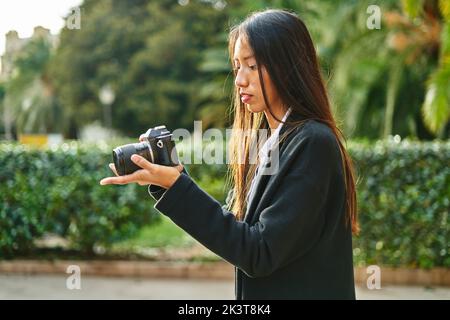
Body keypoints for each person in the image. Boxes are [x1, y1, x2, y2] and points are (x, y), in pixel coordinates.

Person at [100, 9, 359, 300]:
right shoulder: (268, 141)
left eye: (252, 66)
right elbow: (239, 234)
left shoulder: (313, 143)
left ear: (287, 66)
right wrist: (173, 179)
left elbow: (260, 252)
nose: (239, 80)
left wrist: (178, 188)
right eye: (237, 67)